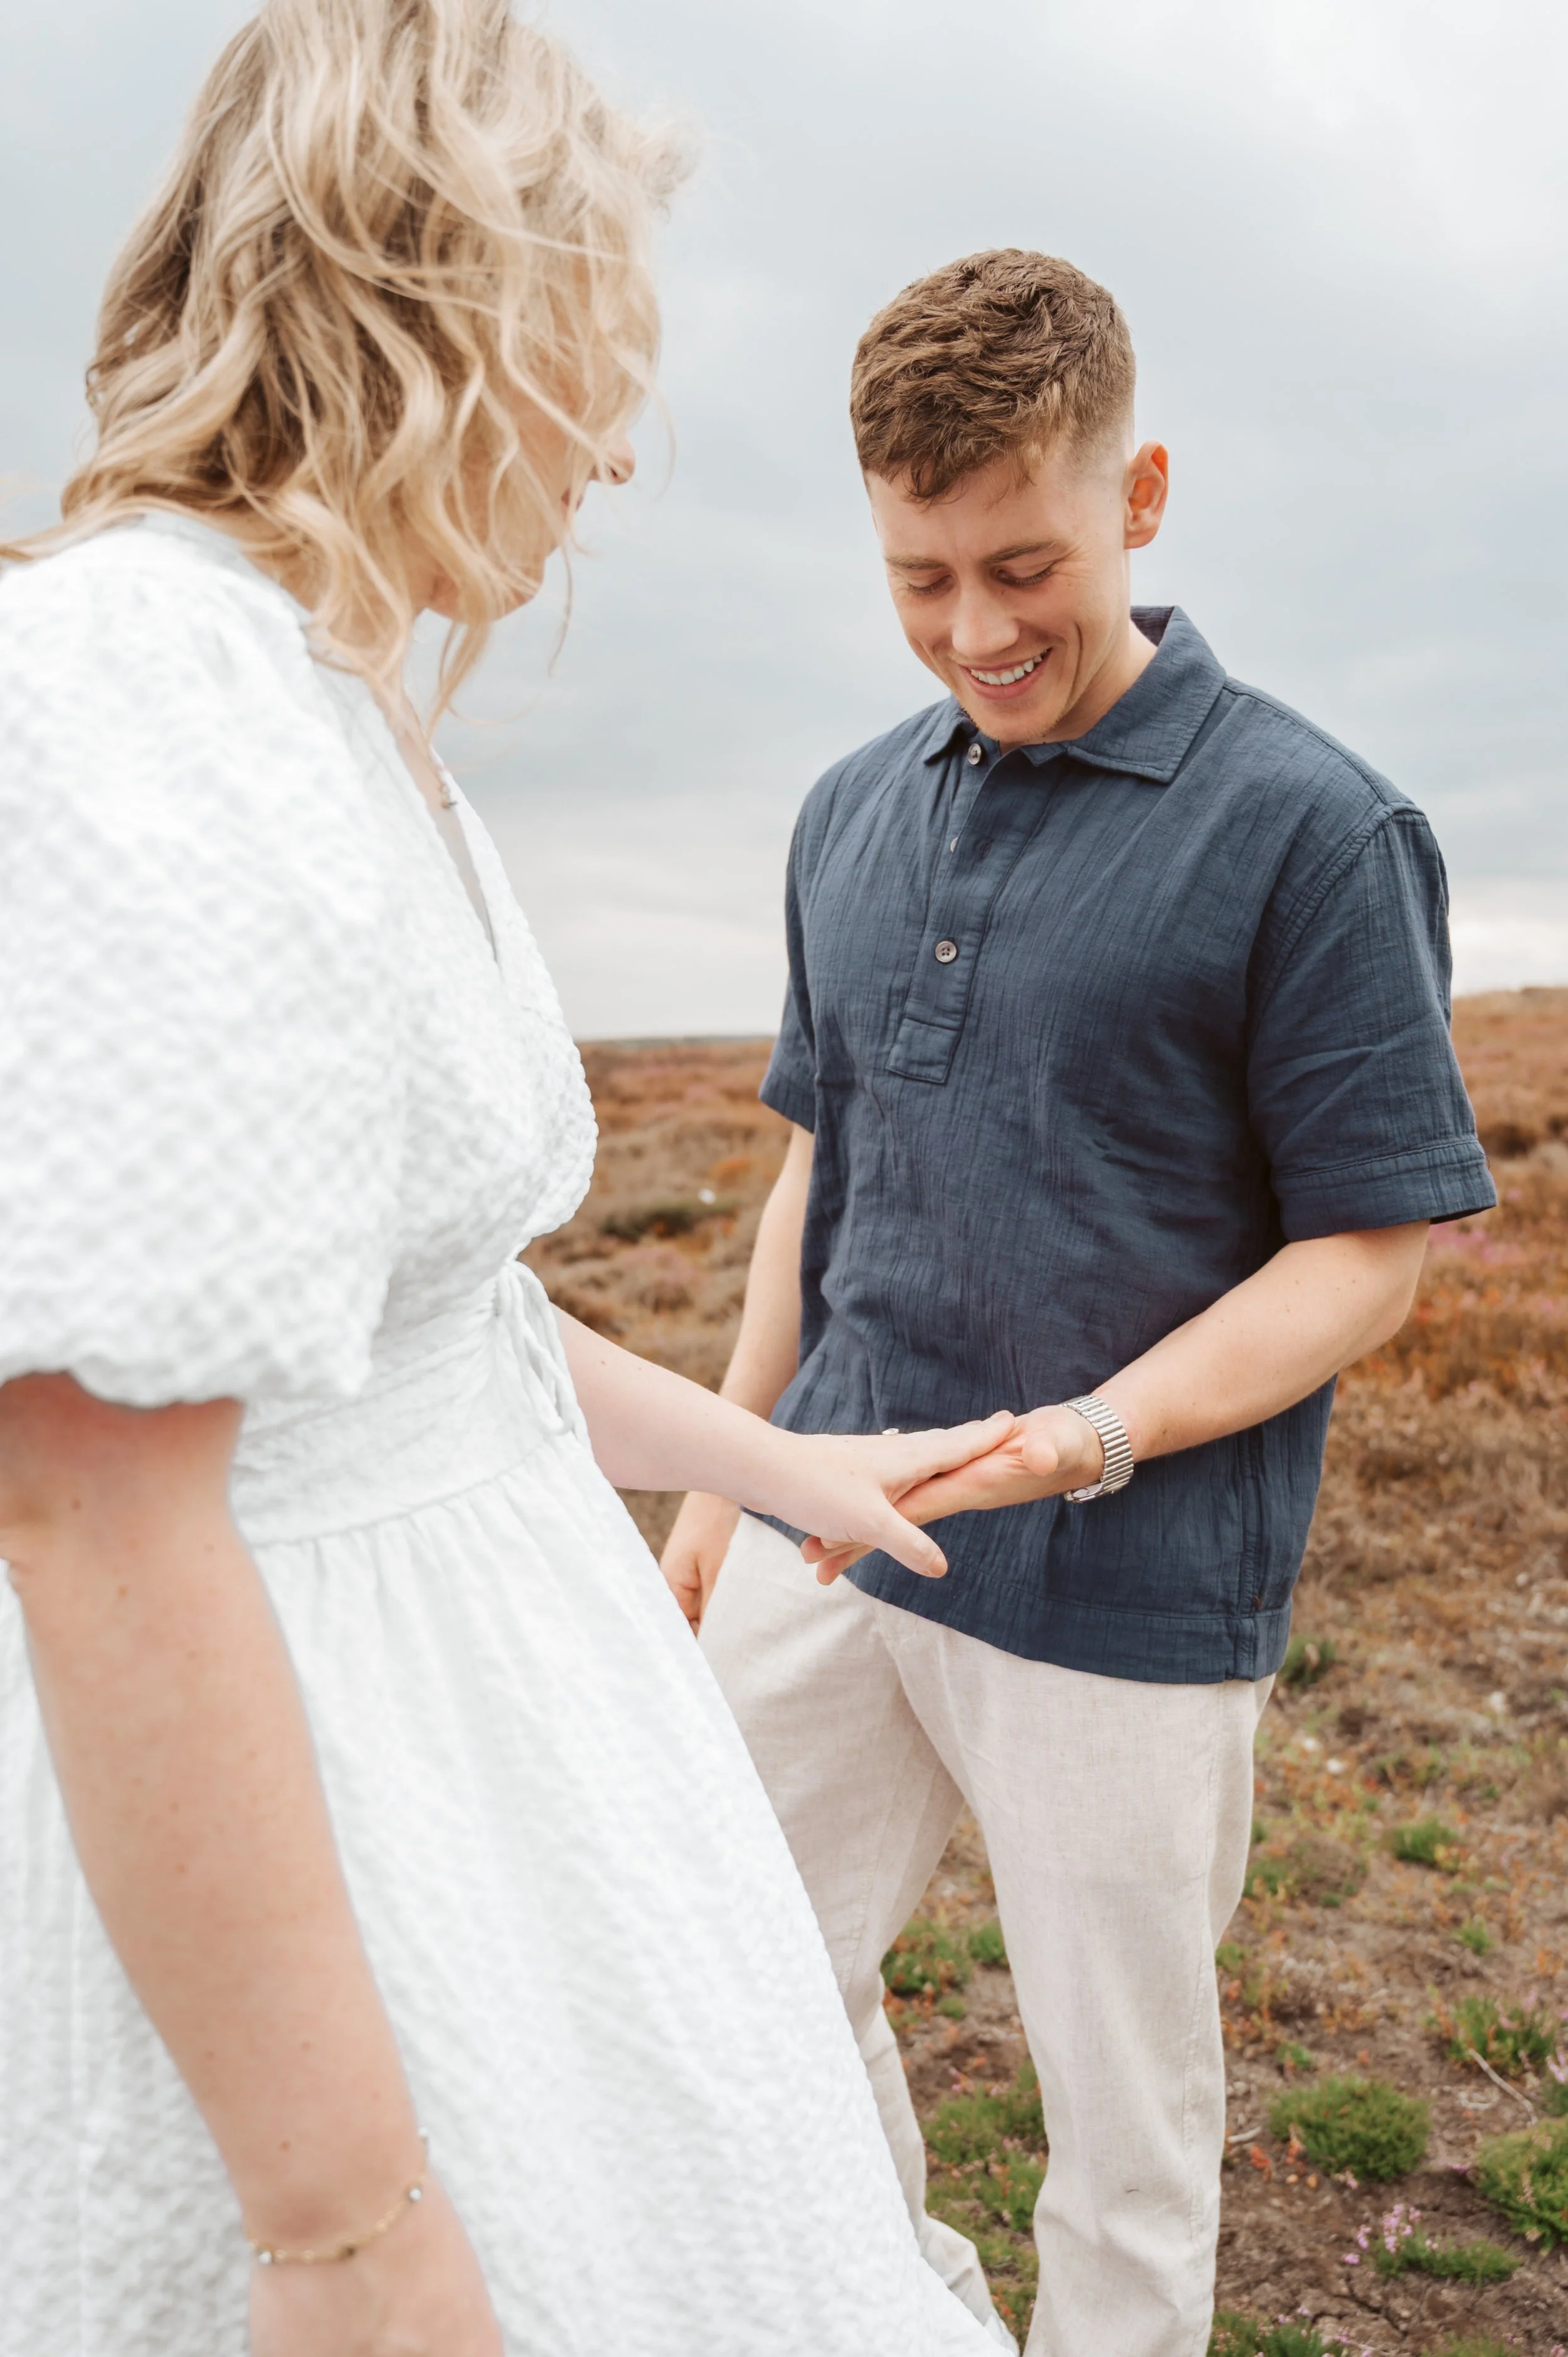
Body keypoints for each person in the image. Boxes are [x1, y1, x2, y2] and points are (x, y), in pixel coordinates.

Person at [0, 14, 1022, 2355]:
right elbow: (92, 1495)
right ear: (434, 307)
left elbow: (411, 1318)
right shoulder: (145, 689)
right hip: (326, 1800)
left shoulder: (332, 702)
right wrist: (346, 2232)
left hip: (515, 1761)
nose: (620, 436)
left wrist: (783, 1463)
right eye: (590, 349)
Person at [662, 249, 1496, 2357]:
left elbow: (1367, 1254)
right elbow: (813, 1164)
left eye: (1018, 561)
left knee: (1124, 2130)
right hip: (833, 1519)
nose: (973, 631)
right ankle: (909, 2313)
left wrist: (1087, 1435)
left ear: (1137, 493)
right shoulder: (850, 808)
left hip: (1128, 1580)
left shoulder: (1314, 826)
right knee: (727, 1975)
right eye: (917, 578)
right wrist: (722, 1467)